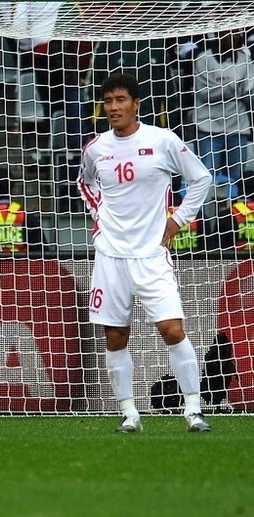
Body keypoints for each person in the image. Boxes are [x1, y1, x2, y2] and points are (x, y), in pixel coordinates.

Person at [78, 73, 213, 433]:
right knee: (114, 336)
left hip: (151, 254)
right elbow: (85, 182)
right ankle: (129, 414)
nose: (113, 108)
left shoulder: (162, 140)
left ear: (136, 104)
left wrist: (177, 221)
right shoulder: (96, 148)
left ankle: (194, 410)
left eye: (120, 100)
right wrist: (98, 217)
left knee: (171, 329)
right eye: (107, 101)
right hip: (110, 256)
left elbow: (201, 178)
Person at [191, 30, 254, 198]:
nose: (236, 37)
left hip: (237, 127)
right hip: (208, 127)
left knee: (236, 180)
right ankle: (208, 222)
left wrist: (225, 88)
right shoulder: (203, 60)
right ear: (220, 35)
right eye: (230, 34)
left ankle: (233, 219)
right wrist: (234, 88)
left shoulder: (244, 60)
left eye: (239, 34)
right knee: (208, 180)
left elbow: (248, 92)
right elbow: (205, 93)